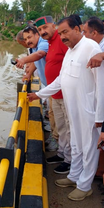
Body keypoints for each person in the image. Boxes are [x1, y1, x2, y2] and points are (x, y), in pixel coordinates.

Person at [27, 14, 104, 201]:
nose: (62, 36)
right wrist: (39, 94)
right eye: (60, 32)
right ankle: (74, 176)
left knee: (89, 146)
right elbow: (61, 79)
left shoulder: (90, 47)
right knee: (76, 144)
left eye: (66, 32)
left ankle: (85, 185)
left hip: (89, 109)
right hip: (73, 107)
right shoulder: (70, 50)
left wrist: (100, 116)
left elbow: (102, 84)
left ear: (77, 29)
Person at [36, 16, 71, 174]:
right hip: (55, 94)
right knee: (61, 127)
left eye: (45, 28)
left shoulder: (62, 42)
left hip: (65, 95)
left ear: (53, 26)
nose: (43, 32)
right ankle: (62, 154)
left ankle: (69, 161)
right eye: (40, 30)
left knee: (69, 129)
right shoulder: (51, 43)